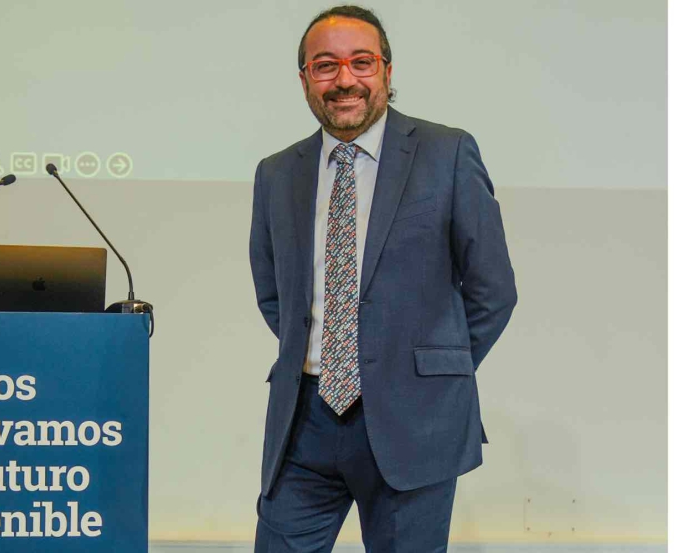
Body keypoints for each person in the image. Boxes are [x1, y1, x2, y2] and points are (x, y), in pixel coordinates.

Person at [249, 5, 517, 551]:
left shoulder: (446, 153)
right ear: (304, 79)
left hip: (415, 421)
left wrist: (428, 374)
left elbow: (492, 290)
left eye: (361, 62)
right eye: (325, 65)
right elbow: (274, 292)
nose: (344, 79)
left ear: (387, 71)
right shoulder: (277, 172)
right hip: (304, 422)